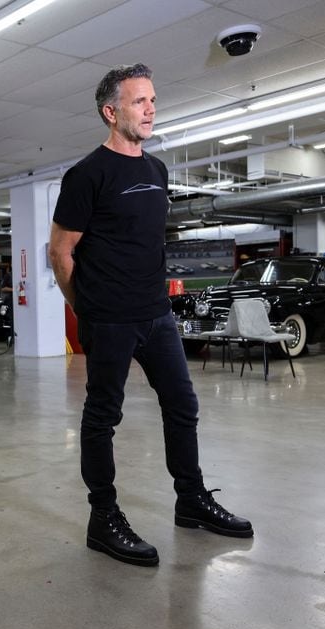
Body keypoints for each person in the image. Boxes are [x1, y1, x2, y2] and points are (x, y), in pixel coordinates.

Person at [47, 63, 252, 567]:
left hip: (157, 315)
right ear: (110, 111)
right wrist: (84, 308)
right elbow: (60, 252)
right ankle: (103, 518)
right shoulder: (87, 174)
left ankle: (191, 500)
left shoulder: (156, 171)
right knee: (103, 417)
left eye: (153, 100)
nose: (151, 109)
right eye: (139, 101)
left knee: (182, 404)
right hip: (109, 319)